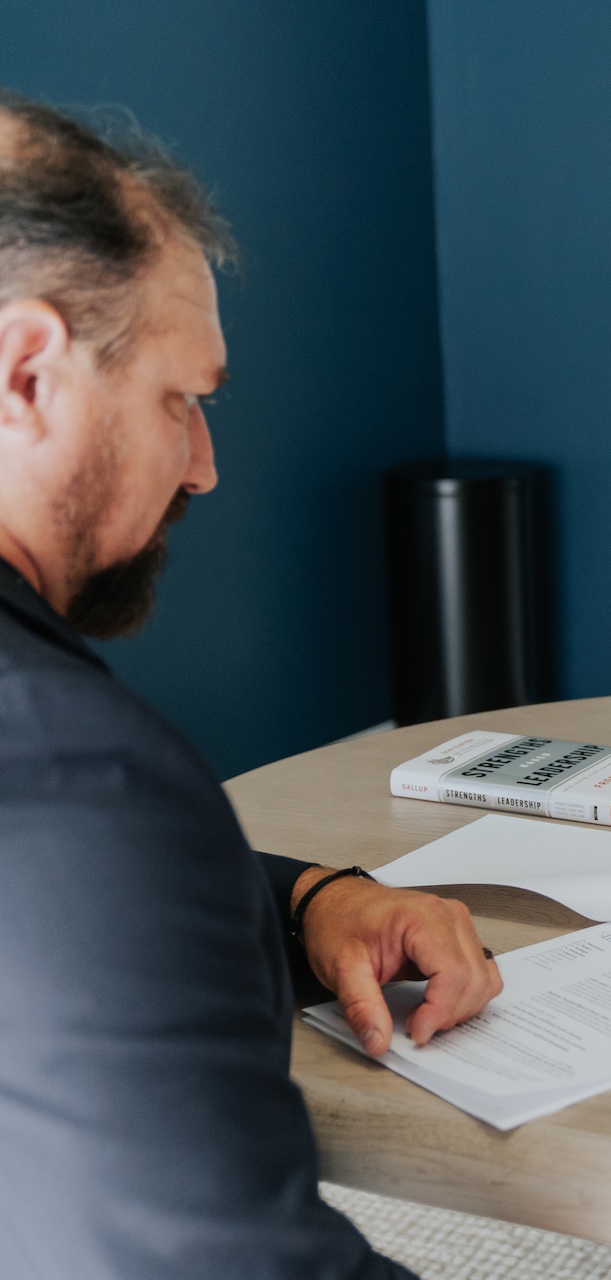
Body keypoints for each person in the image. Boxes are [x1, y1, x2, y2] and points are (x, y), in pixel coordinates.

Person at [0, 96, 502, 1277]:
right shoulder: (77, 772)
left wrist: (306, 899)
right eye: (186, 402)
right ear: (28, 373)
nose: (207, 468)